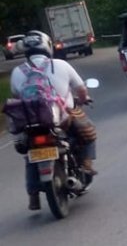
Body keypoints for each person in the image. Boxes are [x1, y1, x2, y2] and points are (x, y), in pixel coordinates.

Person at [10, 30, 96, 211]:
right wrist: (83, 98)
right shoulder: (60, 65)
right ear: (47, 46)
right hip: (62, 120)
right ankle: (86, 167)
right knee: (88, 134)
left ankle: (33, 195)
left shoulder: (17, 72)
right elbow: (80, 90)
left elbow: (17, 98)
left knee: (30, 155)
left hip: (31, 125)